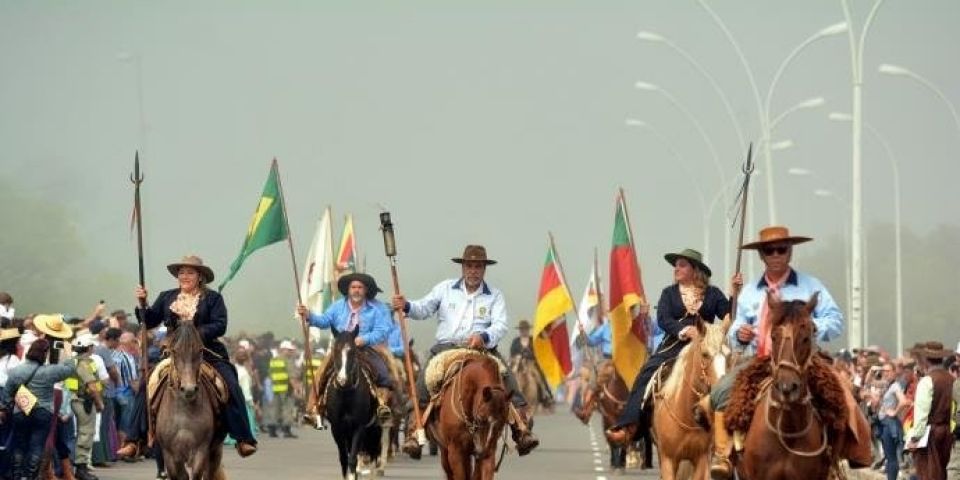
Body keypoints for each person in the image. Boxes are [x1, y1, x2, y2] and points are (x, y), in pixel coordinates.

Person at [707, 225, 866, 479]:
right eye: (770, 251)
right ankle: (723, 455)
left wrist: (813, 326)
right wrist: (740, 334)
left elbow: (835, 319)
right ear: (762, 256)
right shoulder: (750, 292)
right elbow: (735, 328)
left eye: (782, 249)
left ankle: (845, 455)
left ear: (790, 252)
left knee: (842, 392)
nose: (776, 254)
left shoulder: (811, 285)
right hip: (761, 360)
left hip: (805, 360)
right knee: (720, 392)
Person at [391, 244, 539, 459]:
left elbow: (500, 325)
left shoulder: (494, 296)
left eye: (478, 266)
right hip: (446, 349)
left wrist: (484, 337)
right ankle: (415, 431)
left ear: (484, 269)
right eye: (469, 265)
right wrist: (405, 306)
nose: (473, 270)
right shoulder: (445, 289)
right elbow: (422, 308)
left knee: (507, 379)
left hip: (481, 350)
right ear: (462, 267)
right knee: (424, 381)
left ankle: (522, 430)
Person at [116, 255, 257, 459]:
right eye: (181, 272)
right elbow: (150, 319)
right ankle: (133, 440)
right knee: (147, 383)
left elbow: (220, 324)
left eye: (190, 272)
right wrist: (143, 303)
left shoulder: (213, 298)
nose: (184, 276)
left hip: (207, 352)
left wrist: (195, 334)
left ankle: (243, 438)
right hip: (175, 354)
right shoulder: (167, 296)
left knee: (231, 382)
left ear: (200, 276)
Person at [605, 248, 730, 445]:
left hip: (706, 347)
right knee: (645, 374)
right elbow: (663, 319)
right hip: (673, 345)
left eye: (682, 265)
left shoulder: (713, 294)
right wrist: (685, 330)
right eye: (676, 265)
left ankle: (733, 431)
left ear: (695, 270)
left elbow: (729, 315)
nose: (676, 269)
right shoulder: (669, 293)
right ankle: (629, 425)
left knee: (728, 376)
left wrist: (735, 294)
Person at [296, 272, 394, 428]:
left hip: (366, 348)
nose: (356, 290)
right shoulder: (338, 306)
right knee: (320, 374)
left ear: (366, 290)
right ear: (348, 290)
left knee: (383, 373)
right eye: (353, 287)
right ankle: (314, 409)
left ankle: (383, 406)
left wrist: (364, 339)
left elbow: (383, 329)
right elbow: (324, 321)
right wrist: (309, 315)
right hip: (341, 348)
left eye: (360, 287)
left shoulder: (377, 308)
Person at [1, 336, 78, 480]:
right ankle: (30, 477)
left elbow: (6, 395)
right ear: (45, 353)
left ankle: (18, 476)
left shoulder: (16, 370)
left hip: (21, 411)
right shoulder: (49, 371)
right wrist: (68, 350)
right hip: (43, 412)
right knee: (37, 446)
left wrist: (9, 406)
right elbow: (70, 369)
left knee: (19, 446)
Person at [906, 342, 955, 480]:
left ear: (926, 360)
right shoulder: (952, 380)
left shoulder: (927, 381)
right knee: (943, 474)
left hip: (931, 434)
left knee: (929, 474)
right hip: (949, 432)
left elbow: (921, 415)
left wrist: (915, 438)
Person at [66, 332, 105, 480]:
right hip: (84, 401)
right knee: (86, 434)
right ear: (89, 348)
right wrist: (99, 402)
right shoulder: (84, 364)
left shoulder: (72, 361)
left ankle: (78, 467)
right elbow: (92, 385)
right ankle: (81, 469)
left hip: (74, 399)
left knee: (78, 434)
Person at [509, 319, 554, 409]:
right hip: (518, 363)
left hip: (530, 363)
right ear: (520, 330)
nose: (524, 331)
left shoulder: (532, 340)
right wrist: (517, 357)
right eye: (522, 329)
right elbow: (512, 353)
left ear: (528, 330)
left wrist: (529, 355)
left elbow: (537, 353)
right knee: (509, 375)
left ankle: (546, 395)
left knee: (539, 376)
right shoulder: (515, 341)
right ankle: (507, 396)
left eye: (525, 329)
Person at [265, 340, 301, 438]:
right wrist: (296, 389)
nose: (291, 352)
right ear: (283, 349)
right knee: (287, 409)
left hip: (276, 388)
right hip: (286, 388)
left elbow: (270, 374)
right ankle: (286, 430)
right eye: (289, 350)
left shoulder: (274, 360)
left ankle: (272, 430)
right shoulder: (287, 360)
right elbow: (291, 376)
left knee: (274, 409)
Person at [0, 327, 23, 475]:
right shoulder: (13, 360)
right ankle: (5, 470)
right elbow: (18, 381)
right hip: (7, 396)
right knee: (8, 434)